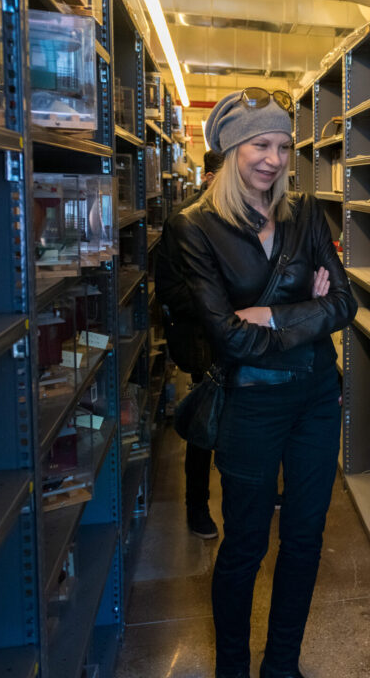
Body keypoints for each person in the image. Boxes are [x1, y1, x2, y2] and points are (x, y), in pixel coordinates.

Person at [169, 87, 356, 678]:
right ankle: (232, 669)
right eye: (259, 144)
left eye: (282, 146)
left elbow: (345, 304)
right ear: (229, 148)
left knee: (304, 538)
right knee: (245, 545)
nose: (273, 159)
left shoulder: (304, 214)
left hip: (317, 399)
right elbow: (227, 338)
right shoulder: (193, 228)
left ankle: (282, 666)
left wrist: (273, 315)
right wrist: (308, 313)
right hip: (250, 404)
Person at [154, 148, 226, 539]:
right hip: (203, 341)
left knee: (245, 417)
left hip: (237, 337)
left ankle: (251, 490)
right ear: (212, 177)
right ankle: (196, 505)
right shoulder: (183, 220)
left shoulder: (243, 214)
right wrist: (219, 303)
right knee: (204, 423)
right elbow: (169, 289)